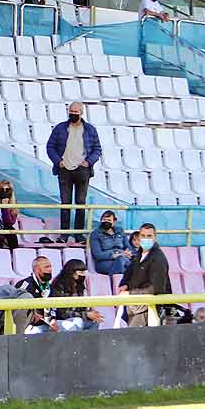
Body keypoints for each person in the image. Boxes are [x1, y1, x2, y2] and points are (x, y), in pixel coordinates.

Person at [44, 101, 101, 242]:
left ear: (81, 113)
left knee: (81, 202)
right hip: (64, 170)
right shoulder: (60, 128)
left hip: (83, 170)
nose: (73, 114)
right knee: (65, 203)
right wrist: (59, 161)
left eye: (76, 112)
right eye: (71, 112)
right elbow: (50, 146)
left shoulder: (90, 130)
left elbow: (97, 149)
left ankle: (78, 234)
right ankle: (64, 234)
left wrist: (88, 162)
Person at [118, 222, 171, 327]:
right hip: (135, 304)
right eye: (143, 235)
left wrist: (130, 293)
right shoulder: (139, 255)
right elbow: (134, 275)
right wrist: (127, 285)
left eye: (149, 236)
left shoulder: (158, 258)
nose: (146, 238)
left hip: (148, 308)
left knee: (134, 338)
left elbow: (156, 288)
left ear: (155, 238)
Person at [89, 209, 132, 278]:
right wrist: (115, 255)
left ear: (114, 222)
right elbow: (97, 255)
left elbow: (128, 246)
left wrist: (128, 252)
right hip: (104, 262)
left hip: (123, 258)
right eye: (104, 220)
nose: (106, 222)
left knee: (132, 263)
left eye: (109, 220)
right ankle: (118, 286)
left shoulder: (120, 230)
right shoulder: (95, 234)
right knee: (123, 264)